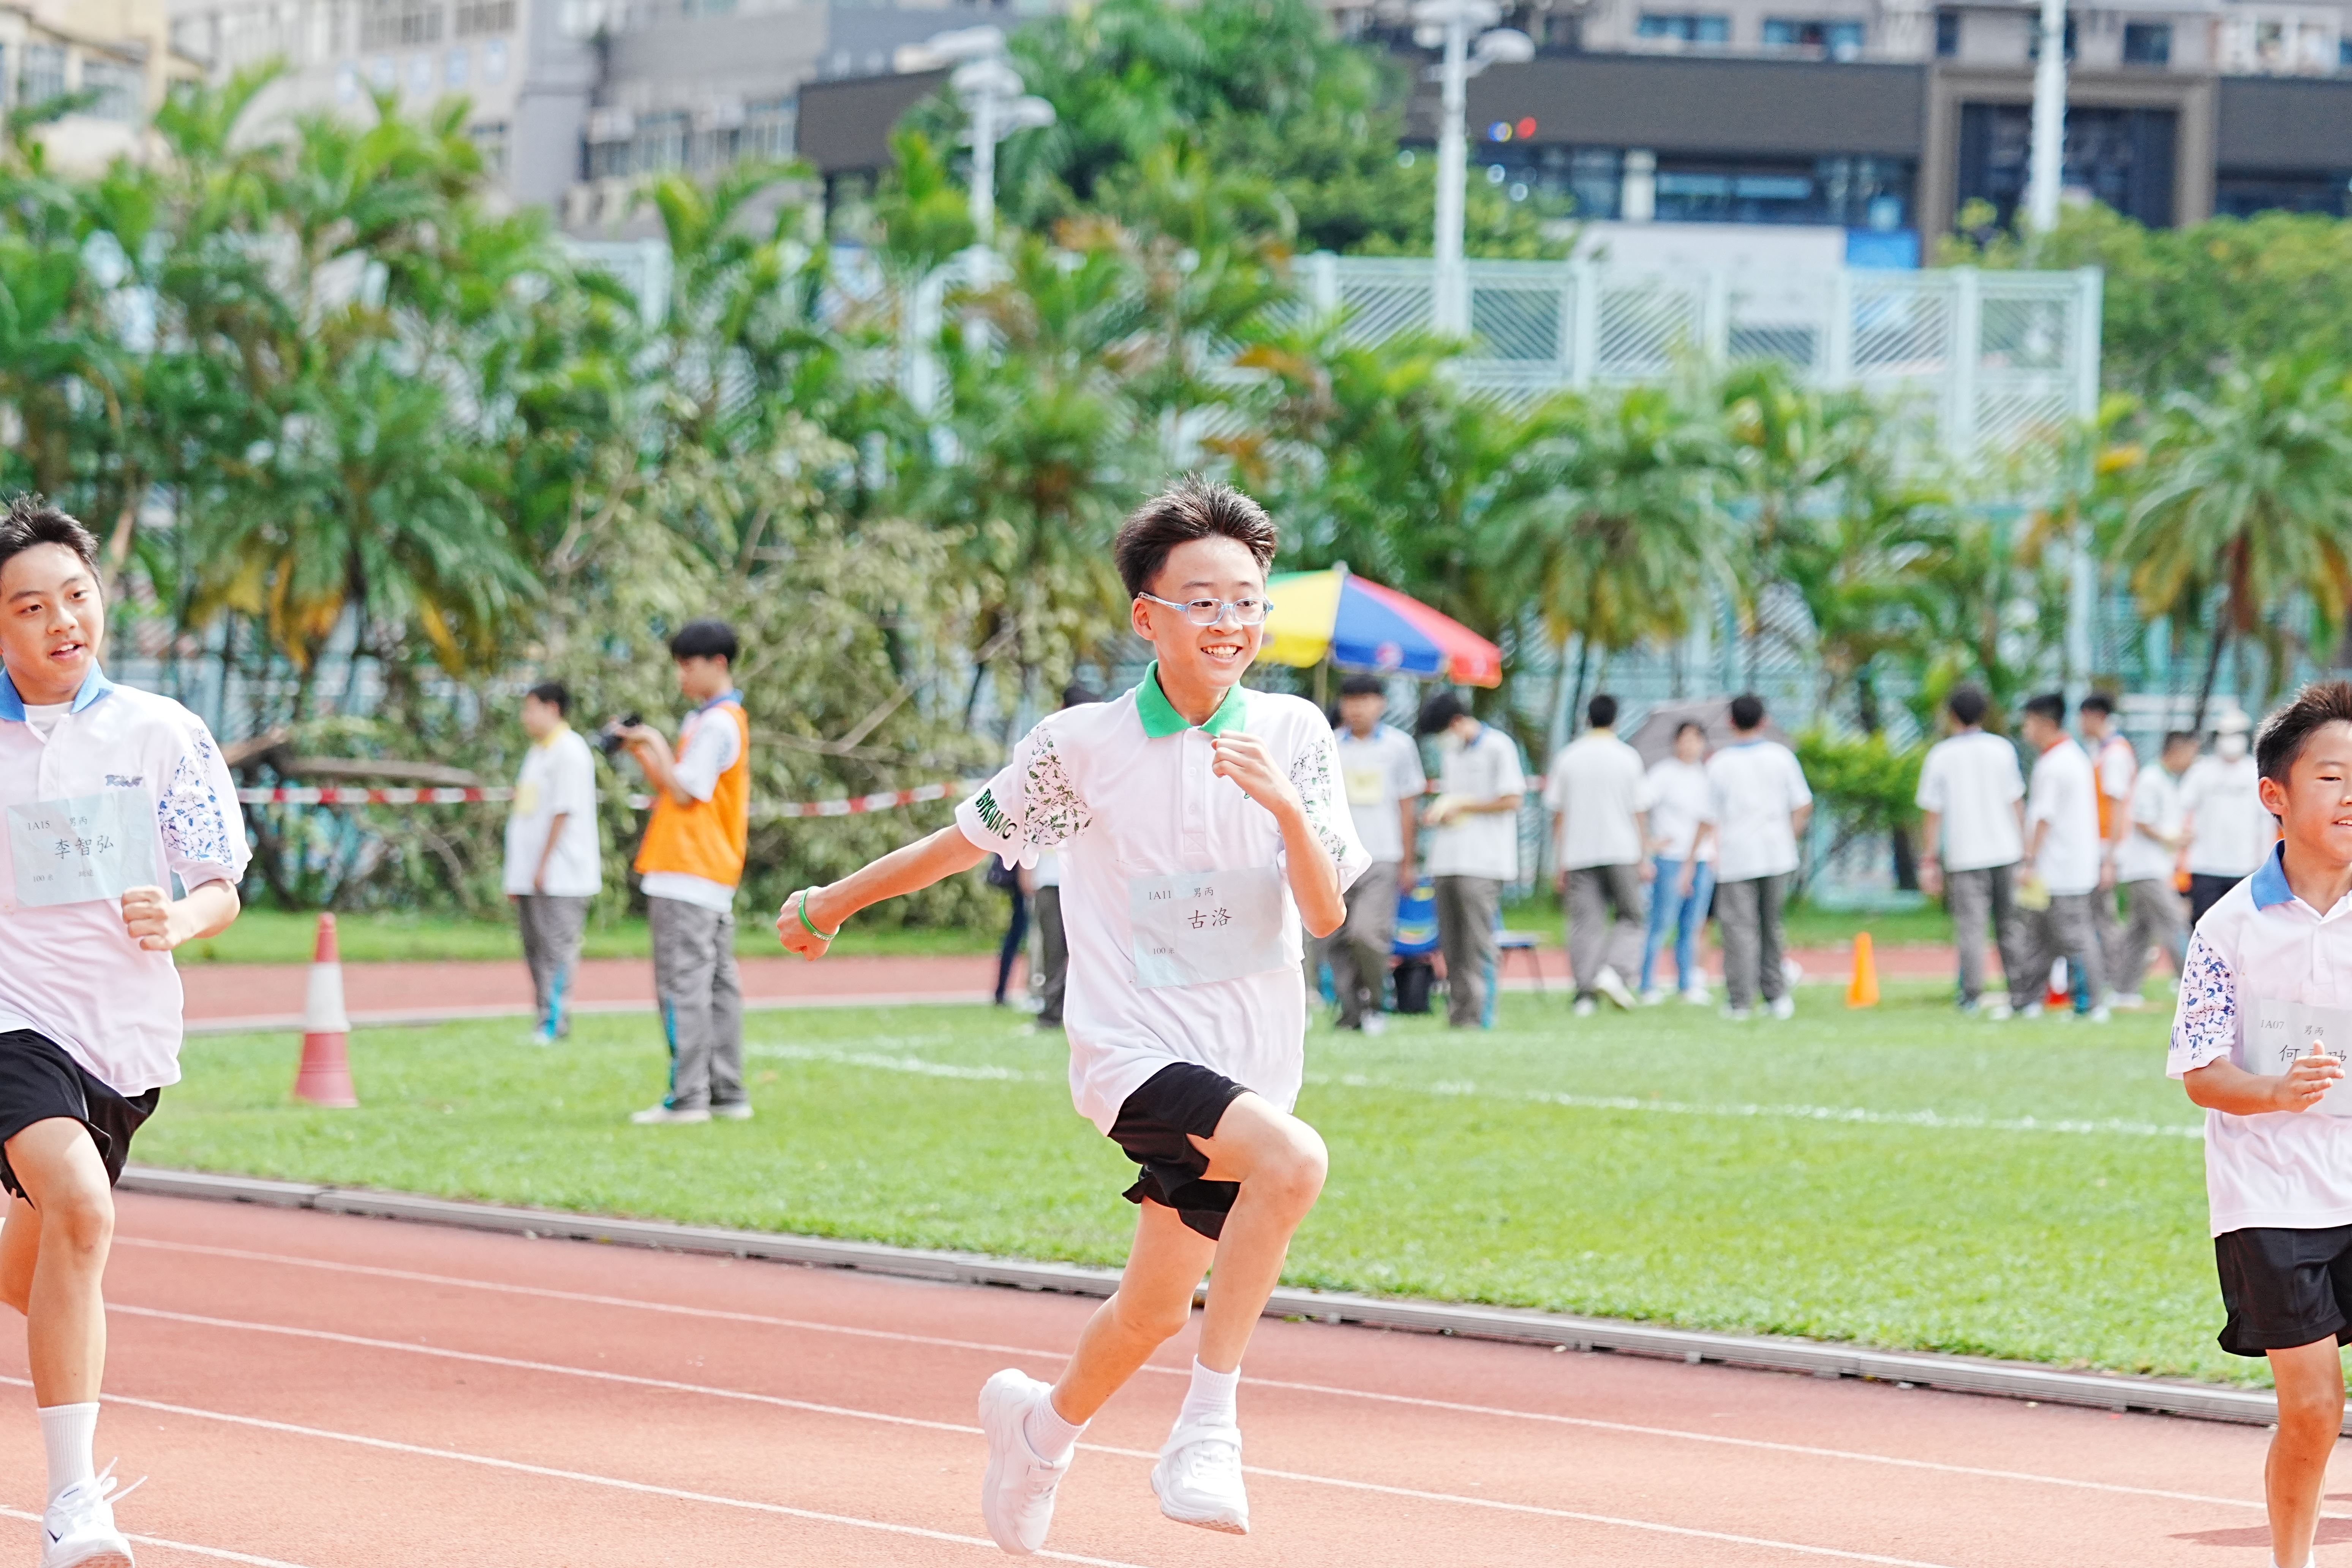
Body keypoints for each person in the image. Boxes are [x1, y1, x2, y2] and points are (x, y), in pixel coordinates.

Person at [776, 479, 1364, 1554]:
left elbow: (1325, 913)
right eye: (1203, 601)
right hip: (1131, 1054)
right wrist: (831, 903)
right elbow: (963, 841)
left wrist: (1282, 802)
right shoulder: (1082, 745)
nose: (1230, 623)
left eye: (1247, 601)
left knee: (1151, 1309)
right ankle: (1209, 1428)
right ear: (1147, 615)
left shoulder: (1294, 731)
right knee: (1294, 1161)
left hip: (1254, 1063)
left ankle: (1037, 1434)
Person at [0, 499, 248, 1568]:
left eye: (76, 596)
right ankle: (73, 1505)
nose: (63, 620)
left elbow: (218, 882)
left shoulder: (163, 732)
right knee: (84, 1209)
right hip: (12, 1018)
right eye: (30, 607)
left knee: (40, 1267)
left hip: (122, 1042)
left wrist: (180, 918)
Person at [2169, 679, 2352, 1568]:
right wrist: (2277, 1092)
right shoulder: (2228, 927)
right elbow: (2202, 1074)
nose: (2351, 795)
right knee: (2313, 1409)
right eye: (2331, 776)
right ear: (2274, 794)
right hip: (2270, 1193)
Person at [618, 620, 751, 1126]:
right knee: (716, 986)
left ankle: (688, 1096)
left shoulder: (717, 723)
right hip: (709, 868)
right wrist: (645, 750)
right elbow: (674, 787)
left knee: (683, 987)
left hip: (687, 868)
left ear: (718, 664)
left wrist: (653, 739)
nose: (682, 676)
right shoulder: (711, 720)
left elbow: (684, 791)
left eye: (688, 665)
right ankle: (726, 1092)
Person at [1312, 673, 1424, 1033]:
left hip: (1382, 856)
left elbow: (1408, 806)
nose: (1357, 708)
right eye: (1350, 700)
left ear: (1381, 704)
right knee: (1335, 938)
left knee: (1367, 934)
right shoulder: (1328, 743)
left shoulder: (1399, 747)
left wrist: (1408, 862)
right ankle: (1350, 1012)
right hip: (1334, 859)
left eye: (1365, 700)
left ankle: (1377, 1003)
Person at [1915, 685, 2028, 1019]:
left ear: (1951, 715)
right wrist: (2027, 850)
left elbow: (1932, 812)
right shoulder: (2002, 749)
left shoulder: (1941, 755)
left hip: (1964, 855)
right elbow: (2016, 802)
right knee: (2011, 926)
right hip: (2006, 850)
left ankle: (1971, 995)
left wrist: (1929, 859)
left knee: (1971, 929)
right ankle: (2021, 993)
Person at [1418, 690, 1525, 1030]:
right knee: (1452, 944)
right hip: (1447, 859)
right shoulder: (1452, 755)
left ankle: (1481, 1014)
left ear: (1457, 723)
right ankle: (1459, 1013)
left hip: (1484, 861)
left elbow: (1512, 799)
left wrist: (1465, 805)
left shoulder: (1498, 747)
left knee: (1477, 942)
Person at [503, 680, 600, 1043]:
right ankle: (544, 1019)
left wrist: (543, 865)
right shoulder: (538, 753)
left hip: (562, 875)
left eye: (531, 709)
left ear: (552, 709)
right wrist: (517, 874)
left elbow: (564, 812)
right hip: (530, 875)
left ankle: (555, 1024)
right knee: (535, 950)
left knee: (557, 951)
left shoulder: (570, 751)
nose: (525, 717)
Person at [1704, 694, 1811, 1021]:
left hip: (1736, 857)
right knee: (1771, 926)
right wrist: (1789, 836)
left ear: (1730, 722)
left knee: (1738, 930)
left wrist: (1712, 853)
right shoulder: (1781, 757)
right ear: (1764, 721)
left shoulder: (1719, 763)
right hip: (1777, 854)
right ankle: (1776, 997)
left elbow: (1710, 816)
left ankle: (1740, 1001)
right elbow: (1803, 804)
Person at [1543, 694, 1649, 1015]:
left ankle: (1585, 996)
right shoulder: (1628, 757)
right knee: (1632, 916)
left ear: (1587, 719)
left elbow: (1558, 814)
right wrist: (1645, 855)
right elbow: (1639, 812)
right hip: (1622, 850)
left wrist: (1559, 861)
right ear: (1616, 720)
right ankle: (1614, 971)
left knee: (1585, 925)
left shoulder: (1568, 757)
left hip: (1578, 852)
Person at [2013, 692, 2111, 1022]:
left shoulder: (2056, 764)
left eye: (2028, 723)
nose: (2025, 730)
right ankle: (2027, 1001)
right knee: (2039, 937)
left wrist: (2028, 861)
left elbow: (2044, 818)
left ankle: (2090, 1003)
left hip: (2061, 869)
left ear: (2044, 723)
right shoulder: (2072, 757)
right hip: (2062, 868)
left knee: (2074, 938)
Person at [1024, 683, 1100, 1031]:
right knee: (1058, 950)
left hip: (1082, 878)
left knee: (1082, 951)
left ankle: (1077, 1014)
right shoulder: (1048, 757)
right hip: (1053, 876)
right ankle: (1054, 1011)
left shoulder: (1099, 761)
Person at [2109, 730, 2197, 1006]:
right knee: (2175, 923)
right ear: (2178, 750)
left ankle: (2124, 990)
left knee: (2139, 930)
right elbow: (2142, 821)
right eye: (2191, 753)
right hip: (2146, 869)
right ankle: (2194, 985)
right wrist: (2171, 839)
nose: (2192, 760)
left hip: (2154, 867)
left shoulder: (2167, 780)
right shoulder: (2151, 779)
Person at [1639, 720, 1715, 1006]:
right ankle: (1647, 984)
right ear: (1675, 742)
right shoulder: (1663, 774)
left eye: (1696, 739)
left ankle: (1687, 983)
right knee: (1661, 921)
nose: (1690, 745)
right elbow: (1640, 806)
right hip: (1670, 858)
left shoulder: (1707, 777)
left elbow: (1712, 819)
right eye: (1685, 739)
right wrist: (1648, 842)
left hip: (1701, 859)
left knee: (1693, 924)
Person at [2182, 711, 2275, 927]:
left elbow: (2266, 821)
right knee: (2203, 925)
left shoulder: (2257, 772)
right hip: (2205, 866)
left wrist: (2264, 863)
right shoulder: (2201, 771)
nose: (2231, 740)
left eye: (2236, 734)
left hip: (2245, 867)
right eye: (2226, 734)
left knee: (2241, 927)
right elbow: (2183, 811)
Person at [2079, 691, 2136, 974]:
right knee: (2100, 914)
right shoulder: (2102, 750)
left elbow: (2117, 807)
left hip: (2107, 845)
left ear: (2096, 716)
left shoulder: (2114, 754)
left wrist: (2110, 859)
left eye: (2083, 717)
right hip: (2101, 843)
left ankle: (2115, 974)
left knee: (2104, 915)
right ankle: (2110, 972)